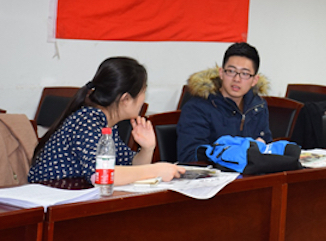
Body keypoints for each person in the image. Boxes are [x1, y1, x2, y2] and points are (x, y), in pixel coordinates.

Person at [28, 57, 185, 185]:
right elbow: (100, 174)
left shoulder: (107, 124)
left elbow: (129, 167)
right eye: (143, 91)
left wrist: (147, 148)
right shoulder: (87, 119)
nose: (144, 98)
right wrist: (155, 170)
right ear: (125, 99)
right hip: (49, 201)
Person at [177, 42, 272, 163]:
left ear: (254, 80)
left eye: (245, 74)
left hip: (251, 173)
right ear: (221, 73)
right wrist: (238, 152)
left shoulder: (258, 107)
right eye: (231, 71)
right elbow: (190, 156)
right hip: (213, 174)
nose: (237, 79)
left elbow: (267, 147)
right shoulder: (197, 108)